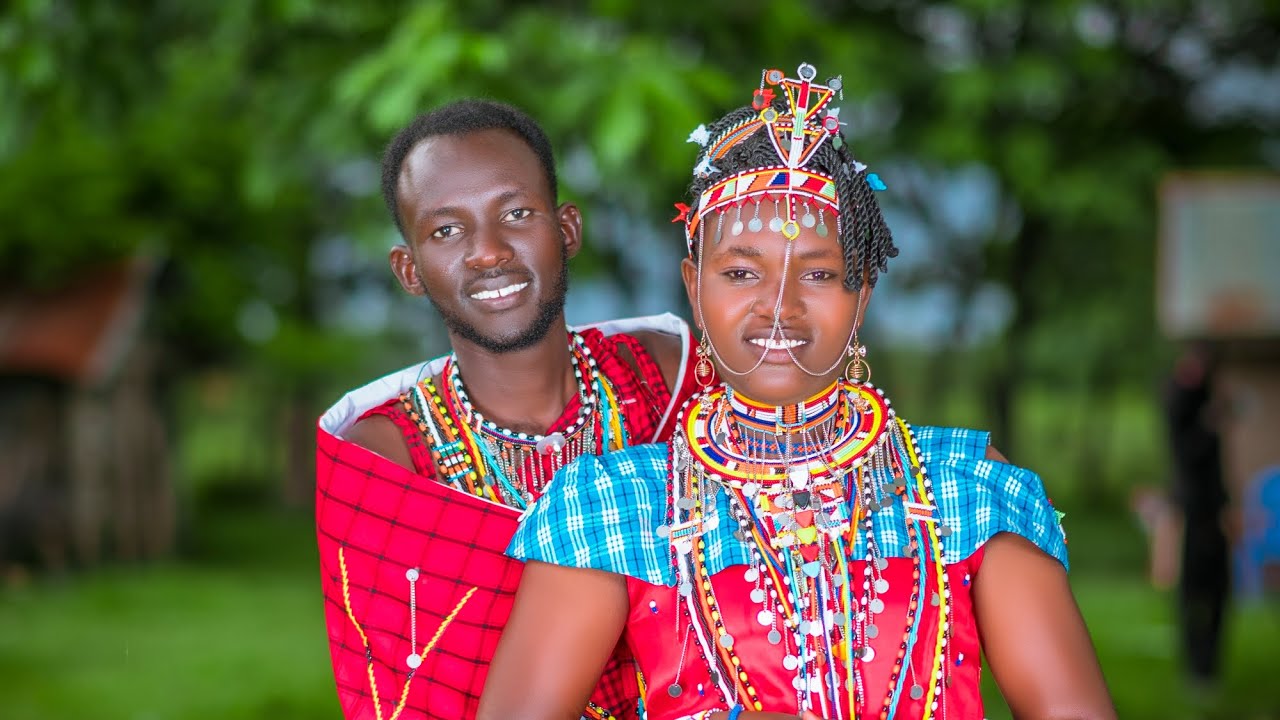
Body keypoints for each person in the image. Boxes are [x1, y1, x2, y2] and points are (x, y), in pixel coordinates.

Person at [478, 64, 1116, 719]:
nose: (778, 307)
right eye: (741, 272)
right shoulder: (612, 505)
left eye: (818, 273)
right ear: (695, 287)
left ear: (861, 294)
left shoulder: (969, 489)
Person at [315, 99, 705, 720]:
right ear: (409, 270)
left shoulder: (673, 380)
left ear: (567, 229)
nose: (488, 252)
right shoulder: (382, 461)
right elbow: (400, 697)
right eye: (447, 231)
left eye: (517, 214)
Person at [1163, 344, 1230, 690]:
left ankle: (1208, 665)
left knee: (1217, 591)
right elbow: (1187, 454)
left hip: (1212, 508)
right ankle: (1197, 665)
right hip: (1196, 511)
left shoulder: (1202, 401)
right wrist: (1208, 424)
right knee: (1196, 591)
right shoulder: (1183, 406)